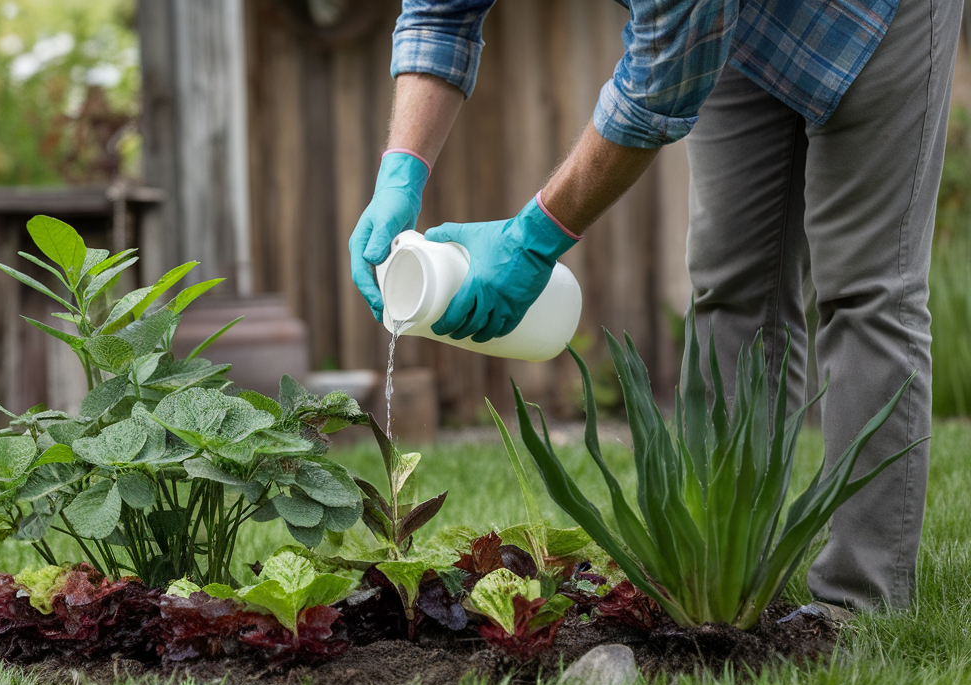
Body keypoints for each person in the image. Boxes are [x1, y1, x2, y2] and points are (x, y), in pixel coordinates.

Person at [348, 0, 961, 612]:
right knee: (730, 285)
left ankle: (859, 601)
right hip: (732, 24)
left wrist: (533, 240)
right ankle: (727, 576)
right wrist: (399, 172)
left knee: (863, 289)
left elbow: (657, 88)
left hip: (868, 14)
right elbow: (437, 12)